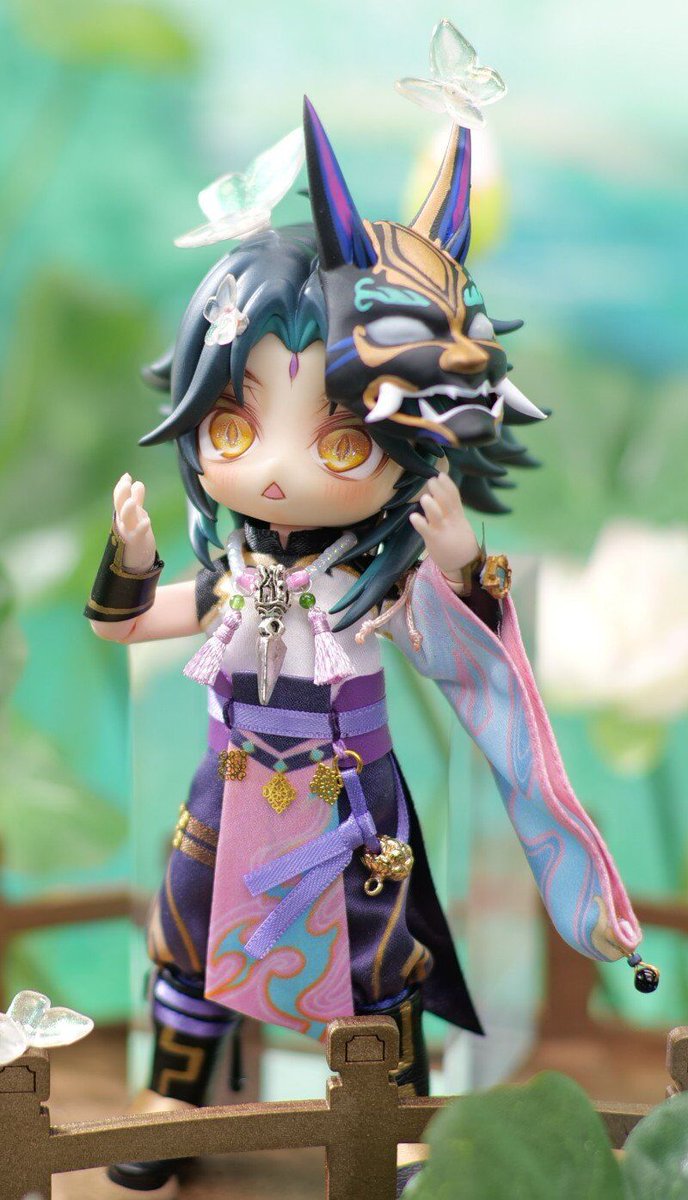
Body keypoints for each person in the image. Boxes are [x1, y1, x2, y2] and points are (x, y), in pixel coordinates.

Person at [86, 103, 651, 1195]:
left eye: (340, 441)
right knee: (189, 935)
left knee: (378, 958)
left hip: (348, 801)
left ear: (410, 443)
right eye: (236, 427)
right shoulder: (237, 571)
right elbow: (127, 624)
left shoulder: (372, 581)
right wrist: (132, 561)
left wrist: (461, 558)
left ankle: (388, 1119)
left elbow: (464, 651)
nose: (277, 470)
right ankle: (175, 1097)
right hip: (230, 787)